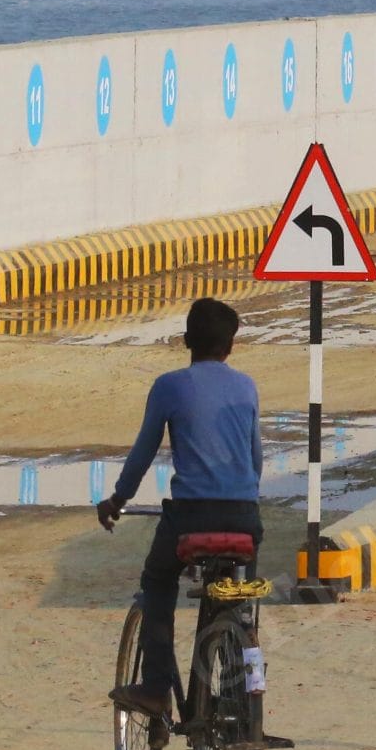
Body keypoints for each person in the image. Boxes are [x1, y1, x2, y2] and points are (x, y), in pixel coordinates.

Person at [97, 297, 266, 721]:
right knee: (235, 596)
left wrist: (118, 499)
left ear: (186, 340)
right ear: (231, 346)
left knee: (157, 581)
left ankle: (155, 688)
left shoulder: (170, 386)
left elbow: (142, 454)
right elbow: (256, 459)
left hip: (191, 517)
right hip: (245, 517)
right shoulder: (246, 387)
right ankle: (240, 692)